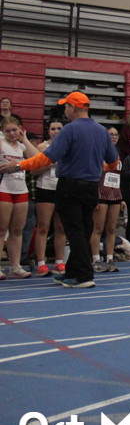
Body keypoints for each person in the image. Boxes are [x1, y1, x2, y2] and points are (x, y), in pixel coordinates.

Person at [1, 92, 117, 288]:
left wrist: (19, 165)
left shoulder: (69, 130)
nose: (64, 111)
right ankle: (73, 271)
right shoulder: (102, 131)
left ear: (73, 108)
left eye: (66, 107)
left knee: (74, 231)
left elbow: (47, 157)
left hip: (70, 186)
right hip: (91, 187)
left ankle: (83, 275)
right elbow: (113, 162)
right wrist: (95, 165)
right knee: (83, 228)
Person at [0, 118, 40, 278]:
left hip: (21, 190)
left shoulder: (22, 146)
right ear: (2, 131)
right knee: (1, 229)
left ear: (20, 129)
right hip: (4, 188)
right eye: (7, 131)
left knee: (17, 230)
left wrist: (24, 139)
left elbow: (38, 159)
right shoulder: (2, 144)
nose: (11, 133)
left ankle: (15, 266)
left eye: (14, 130)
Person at [30, 119, 67, 277]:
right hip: (45, 188)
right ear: (48, 131)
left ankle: (59, 262)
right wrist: (50, 163)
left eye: (59, 128)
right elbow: (34, 171)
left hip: (62, 188)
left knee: (61, 227)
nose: (56, 132)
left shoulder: (68, 147)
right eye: (53, 129)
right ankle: (41, 263)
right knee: (43, 226)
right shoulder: (42, 147)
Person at [91, 126, 123, 273]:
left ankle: (109, 258)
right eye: (111, 134)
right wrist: (94, 196)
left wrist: (122, 198)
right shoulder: (99, 153)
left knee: (111, 229)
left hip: (115, 194)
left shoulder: (119, 153)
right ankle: (96, 259)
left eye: (116, 134)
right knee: (98, 228)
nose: (114, 137)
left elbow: (119, 177)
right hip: (101, 194)